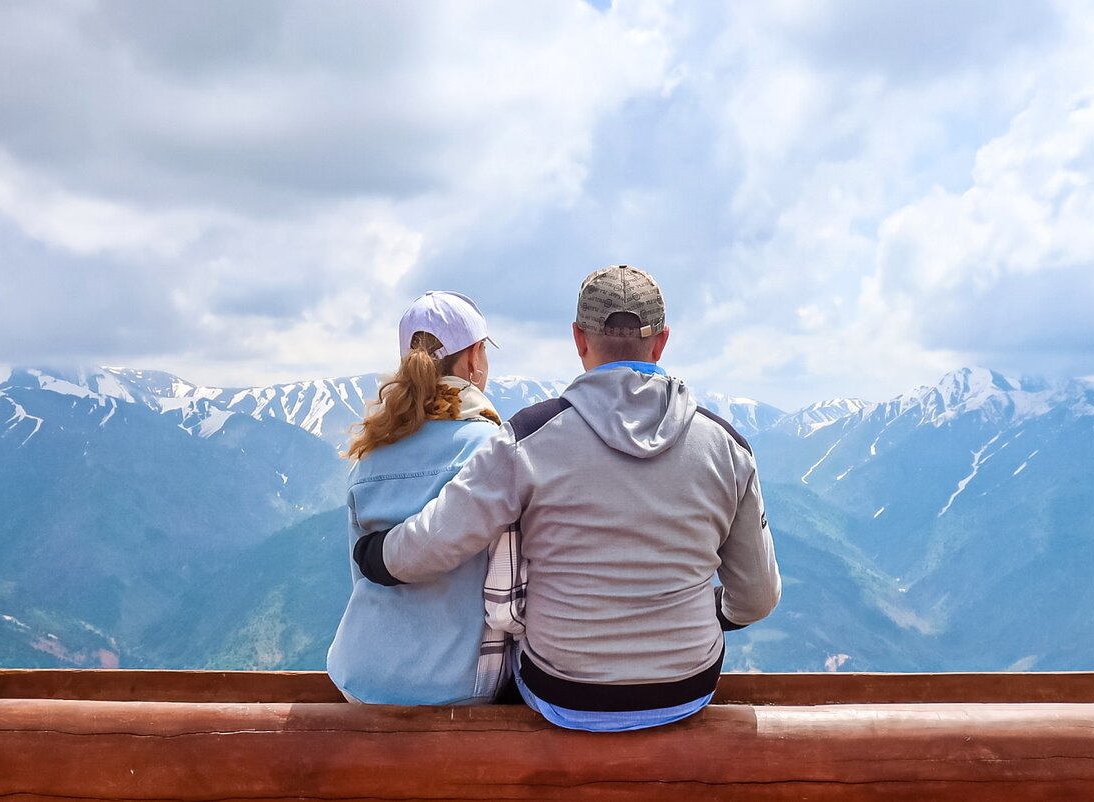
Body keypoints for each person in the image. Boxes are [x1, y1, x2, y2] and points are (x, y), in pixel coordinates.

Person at [354, 265, 781, 731]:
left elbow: (438, 539)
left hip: (563, 691)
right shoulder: (726, 447)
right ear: (661, 343)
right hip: (687, 687)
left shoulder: (527, 439)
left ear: (579, 340)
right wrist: (711, 612)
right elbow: (757, 598)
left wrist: (377, 556)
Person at [326, 290, 519, 706]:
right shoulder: (494, 450)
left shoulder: (371, 452)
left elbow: (361, 574)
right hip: (457, 686)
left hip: (359, 677)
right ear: (473, 359)